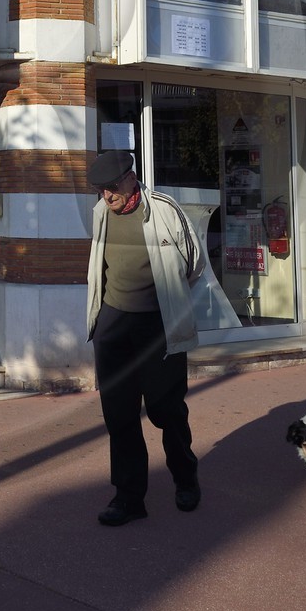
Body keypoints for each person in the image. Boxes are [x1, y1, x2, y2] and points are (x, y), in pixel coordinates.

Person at [85, 149, 205, 526]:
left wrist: (168, 302)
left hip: (158, 325)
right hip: (113, 323)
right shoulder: (101, 213)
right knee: (119, 416)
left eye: (111, 187)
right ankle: (128, 498)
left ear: (129, 178)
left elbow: (194, 262)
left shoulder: (164, 210)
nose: (107, 195)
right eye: (101, 190)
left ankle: (185, 479)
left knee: (166, 410)